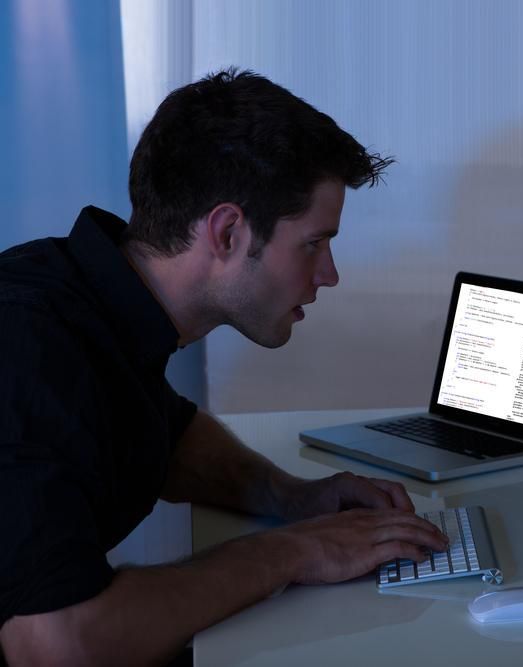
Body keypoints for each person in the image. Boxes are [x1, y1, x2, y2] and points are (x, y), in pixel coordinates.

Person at [0, 68, 447, 666]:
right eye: (314, 243)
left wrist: (290, 497)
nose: (329, 274)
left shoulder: (92, 301)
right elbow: (59, 645)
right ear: (229, 232)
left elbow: (166, 432)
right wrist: (292, 553)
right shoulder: (28, 351)